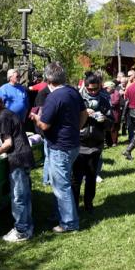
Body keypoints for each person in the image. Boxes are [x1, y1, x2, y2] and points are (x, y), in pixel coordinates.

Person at [30, 62, 87, 233]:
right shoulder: (73, 92)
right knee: (63, 182)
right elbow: (84, 114)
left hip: (60, 147)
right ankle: (59, 214)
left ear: (48, 78)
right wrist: (77, 128)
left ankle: (69, 223)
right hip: (73, 144)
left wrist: (35, 118)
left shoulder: (53, 97)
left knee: (61, 186)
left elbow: (45, 125)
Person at [0, 95, 34, 242]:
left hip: (18, 158)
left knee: (18, 196)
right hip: (25, 156)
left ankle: (21, 230)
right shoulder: (9, 113)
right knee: (25, 194)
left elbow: (8, 143)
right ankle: (27, 226)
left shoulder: (3, 118)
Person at [72, 74, 113, 213]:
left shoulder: (104, 100)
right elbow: (69, 121)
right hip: (79, 143)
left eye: (96, 89)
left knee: (91, 176)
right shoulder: (77, 99)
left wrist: (104, 120)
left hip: (96, 144)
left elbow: (111, 123)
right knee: (76, 178)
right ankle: (74, 205)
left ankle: (89, 204)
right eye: (90, 90)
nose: (93, 92)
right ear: (85, 87)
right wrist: (83, 114)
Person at [104, 81, 121, 146]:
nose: (106, 89)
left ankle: (114, 142)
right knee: (108, 128)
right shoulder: (105, 93)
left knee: (114, 128)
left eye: (107, 88)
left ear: (111, 87)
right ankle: (109, 142)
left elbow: (116, 102)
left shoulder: (116, 93)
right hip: (108, 113)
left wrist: (108, 103)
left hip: (114, 113)